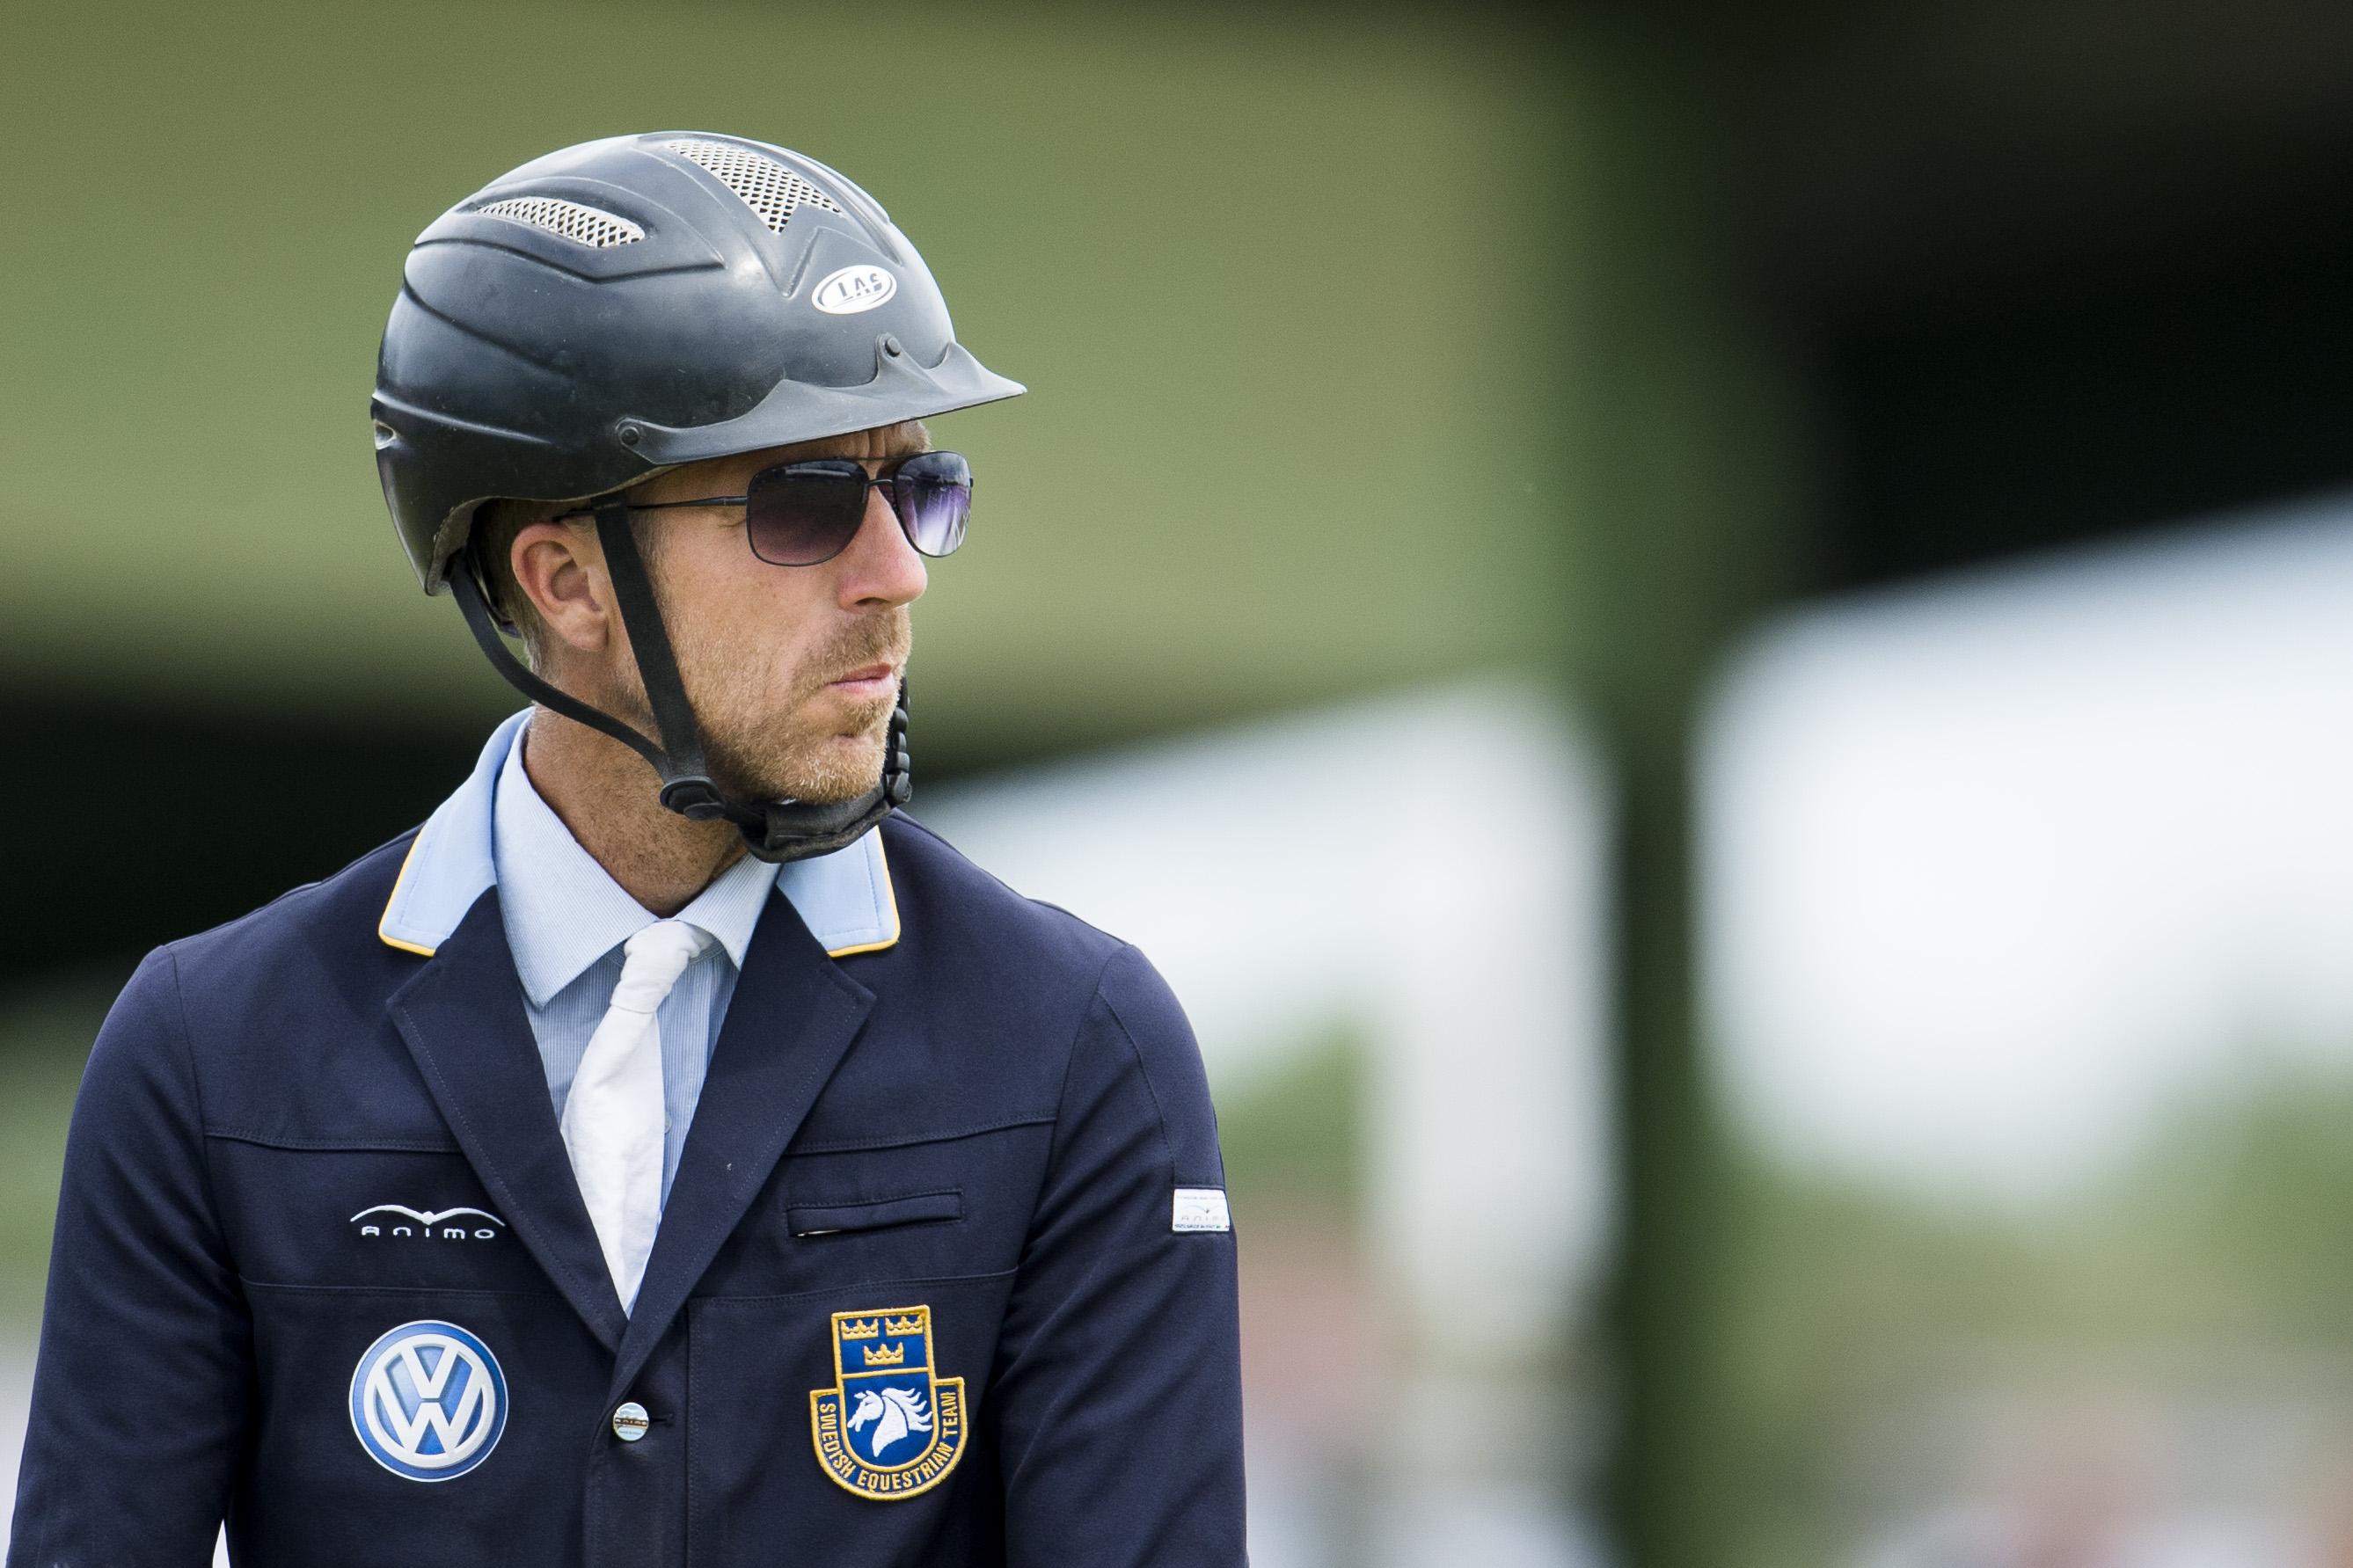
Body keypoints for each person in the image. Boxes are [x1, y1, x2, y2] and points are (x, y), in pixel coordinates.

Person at [6, 132, 1246, 1567]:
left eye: (917, 487)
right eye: (802, 501)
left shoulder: (1080, 1051)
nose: (897, 572)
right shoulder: (210, 1057)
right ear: (565, 577)